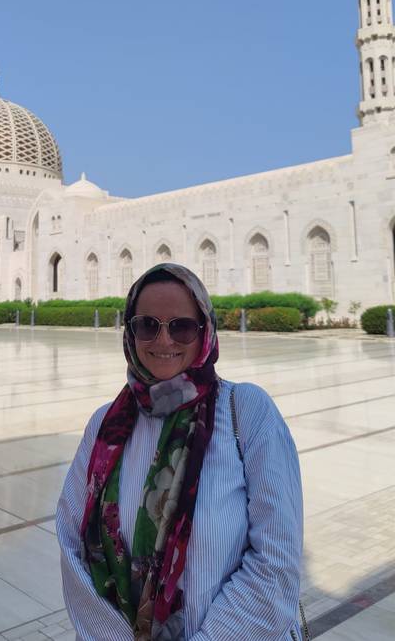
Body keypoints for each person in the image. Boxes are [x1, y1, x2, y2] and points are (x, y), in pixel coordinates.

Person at [56, 263, 304, 640]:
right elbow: (72, 543)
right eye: (147, 325)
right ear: (130, 331)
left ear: (205, 331)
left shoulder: (247, 412)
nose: (164, 340)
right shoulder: (106, 425)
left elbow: (276, 561)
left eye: (181, 326)